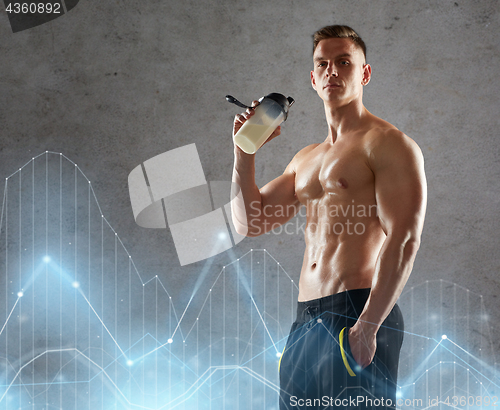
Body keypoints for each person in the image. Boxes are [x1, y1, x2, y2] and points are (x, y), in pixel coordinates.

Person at [230, 25, 427, 409]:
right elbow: (248, 223)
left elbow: (405, 238)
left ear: (364, 73)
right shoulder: (306, 158)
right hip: (305, 321)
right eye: (323, 64)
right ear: (313, 79)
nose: (332, 71)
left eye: (343, 62)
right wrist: (244, 153)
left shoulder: (387, 144)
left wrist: (368, 326)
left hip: (358, 312)